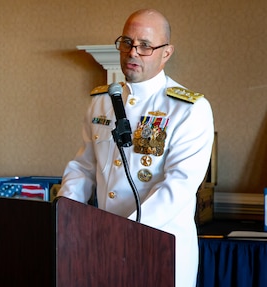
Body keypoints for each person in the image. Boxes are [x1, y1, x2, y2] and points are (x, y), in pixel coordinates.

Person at [58, 8, 214, 287]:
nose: (132, 52)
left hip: (159, 247)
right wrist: (65, 218)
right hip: (104, 247)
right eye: (127, 42)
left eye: (145, 45)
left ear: (166, 53)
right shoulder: (102, 102)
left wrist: (124, 234)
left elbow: (177, 187)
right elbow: (83, 167)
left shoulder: (189, 109)